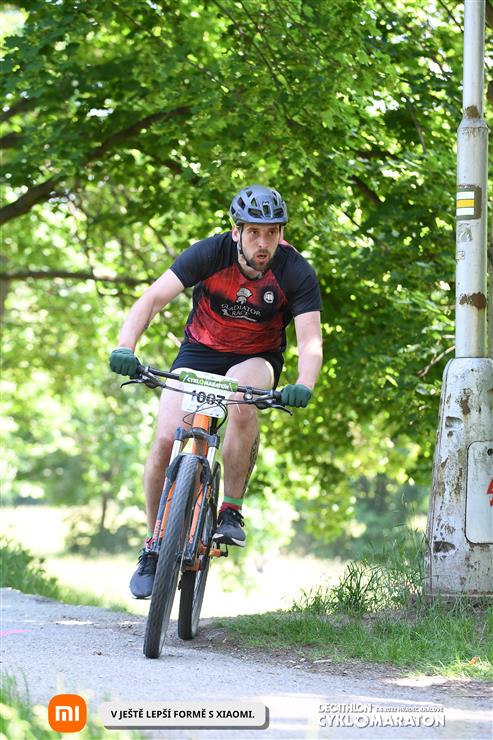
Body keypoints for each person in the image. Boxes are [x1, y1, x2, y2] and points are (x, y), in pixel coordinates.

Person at [109, 184, 323, 598]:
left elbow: (310, 338)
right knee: (165, 441)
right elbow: (152, 299)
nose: (264, 243)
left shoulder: (295, 271)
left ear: (281, 233)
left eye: (272, 233)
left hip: (256, 357)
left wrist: (304, 384)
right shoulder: (209, 253)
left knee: (242, 401)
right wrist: (125, 347)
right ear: (236, 231)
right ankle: (154, 545)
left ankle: (231, 510)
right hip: (199, 352)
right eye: (254, 233)